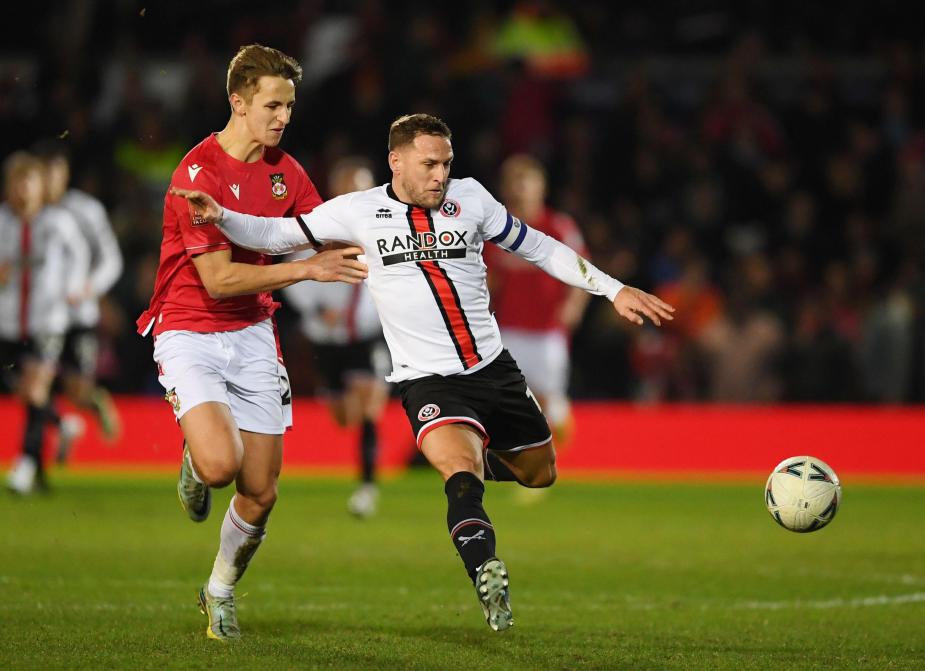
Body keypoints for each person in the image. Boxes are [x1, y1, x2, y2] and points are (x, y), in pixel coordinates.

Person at [172, 113, 674, 633]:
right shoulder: (358, 211)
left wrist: (614, 289)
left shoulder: (472, 198)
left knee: (540, 471)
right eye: (429, 163)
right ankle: (485, 570)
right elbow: (276, 233)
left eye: (446, 163)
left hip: (493, 370)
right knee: (459, 474)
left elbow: (539, 246)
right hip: (426, 380)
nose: (440, 174)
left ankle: (477, 482)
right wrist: (223, 216)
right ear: (396, 161)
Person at [135, 44, 367, 642]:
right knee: (220, 466)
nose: (283, 116)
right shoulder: (197, 174)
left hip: (253, 334)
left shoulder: (286, 172)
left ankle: (218, 591)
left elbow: (327, 233)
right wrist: (306, 270)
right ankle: (195, 453)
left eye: (289, 104)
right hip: (189, 329)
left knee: (260, 493)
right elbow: (218, 279)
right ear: (237, 102)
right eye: (272, 103)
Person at [283, 157, 390, 518]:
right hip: (327, 339)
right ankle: (365, 481)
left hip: (368, 336)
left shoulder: (388, 229)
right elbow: (290, 272)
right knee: (344, 416)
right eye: (346, 186)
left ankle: (367, 488)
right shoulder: (317, 229)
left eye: (359, 187)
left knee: (369, 405)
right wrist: (315, 311)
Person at [484, 154, 590, 448]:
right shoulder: (496, 231)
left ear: (540, 186)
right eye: (512, 181)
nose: (519, 188)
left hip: (547, 331)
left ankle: (557, 449)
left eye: (525, 181)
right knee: (511, 397)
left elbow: (583, 270)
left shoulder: (557, 227)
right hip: (510, 329)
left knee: (549, 400)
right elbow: (489, 279)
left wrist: (574, 305)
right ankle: (526, 456)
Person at [1, 152, 89, 494]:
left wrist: (73, 287)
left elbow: (79, 255)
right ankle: (61, 423)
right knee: (23, 391)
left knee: (36, 387)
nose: (23, 190)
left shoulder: (57, 222)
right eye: (16, 182)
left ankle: (23, 465)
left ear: (40, 187)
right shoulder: (3, 222)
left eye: (29, 182)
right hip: (8, 322)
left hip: (47, 319)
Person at [34, 141, 124, 460]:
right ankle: (60, 428)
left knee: (75, 389)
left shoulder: (86, 211)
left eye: (53, 173)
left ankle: (82, 407)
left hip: (78, 314)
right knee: (35, 381)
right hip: (39, 316)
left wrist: (90, 287)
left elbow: (111, 259)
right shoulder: (26, 214)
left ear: (64, 173)